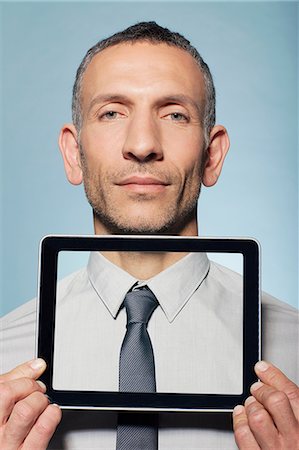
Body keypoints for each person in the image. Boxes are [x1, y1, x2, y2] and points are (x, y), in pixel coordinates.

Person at [1, 22, 298, 450]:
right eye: (112, 113)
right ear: (73, 153)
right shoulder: (4, 353)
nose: (142, 144)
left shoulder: (295, 354)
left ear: (212, 155)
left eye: (175, 114)